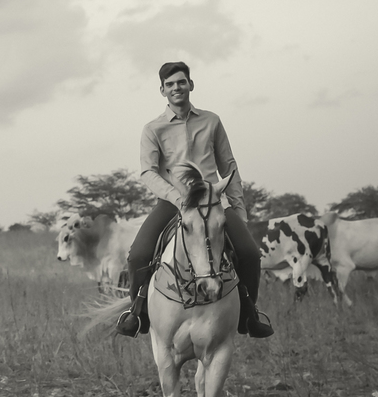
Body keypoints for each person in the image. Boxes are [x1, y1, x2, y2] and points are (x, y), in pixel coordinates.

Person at [117, 61, 274, 338]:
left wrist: (239, 211)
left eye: (181, 82)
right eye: (169, 84)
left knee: (250, 253)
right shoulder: (153, 129)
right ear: (162, 90)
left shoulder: (212, 121)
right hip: (173, 202)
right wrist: (177, 198)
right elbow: (147, 172)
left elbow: (229, 166)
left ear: (190, 84)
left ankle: (249, 315)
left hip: (214, 202)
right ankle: (137, 314)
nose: (176, 87)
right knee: (139, 255)